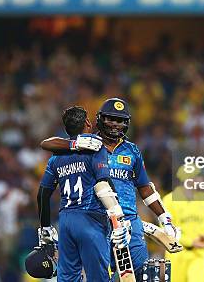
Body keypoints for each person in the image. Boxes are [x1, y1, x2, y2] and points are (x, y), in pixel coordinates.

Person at [41, 98, 181, 280]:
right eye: (111, 119)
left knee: (143, 276)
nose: (115, 125)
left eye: (121, 120)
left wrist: (165, 218)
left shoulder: (132, 151)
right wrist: (73, 144)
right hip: (100, 223)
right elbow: (48, 143)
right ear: (99, 119)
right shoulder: (88, 144)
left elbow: (145, 188)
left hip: (131, 223)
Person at [37, 106, 130, 281]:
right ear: (87, 122)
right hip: (91, 219)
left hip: (65, 221)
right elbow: (103, 183)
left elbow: (42, 195)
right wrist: (118, 217)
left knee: (68, 278)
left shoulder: (56, 157)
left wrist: (45, 228)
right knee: (98, 278)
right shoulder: (95, 146)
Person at [163, 166, 204, 282]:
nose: (202, 179)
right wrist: (190, 241)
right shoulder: (169, 200)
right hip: (177, 254)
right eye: (199, 176)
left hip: (200, 253)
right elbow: (167, 229)